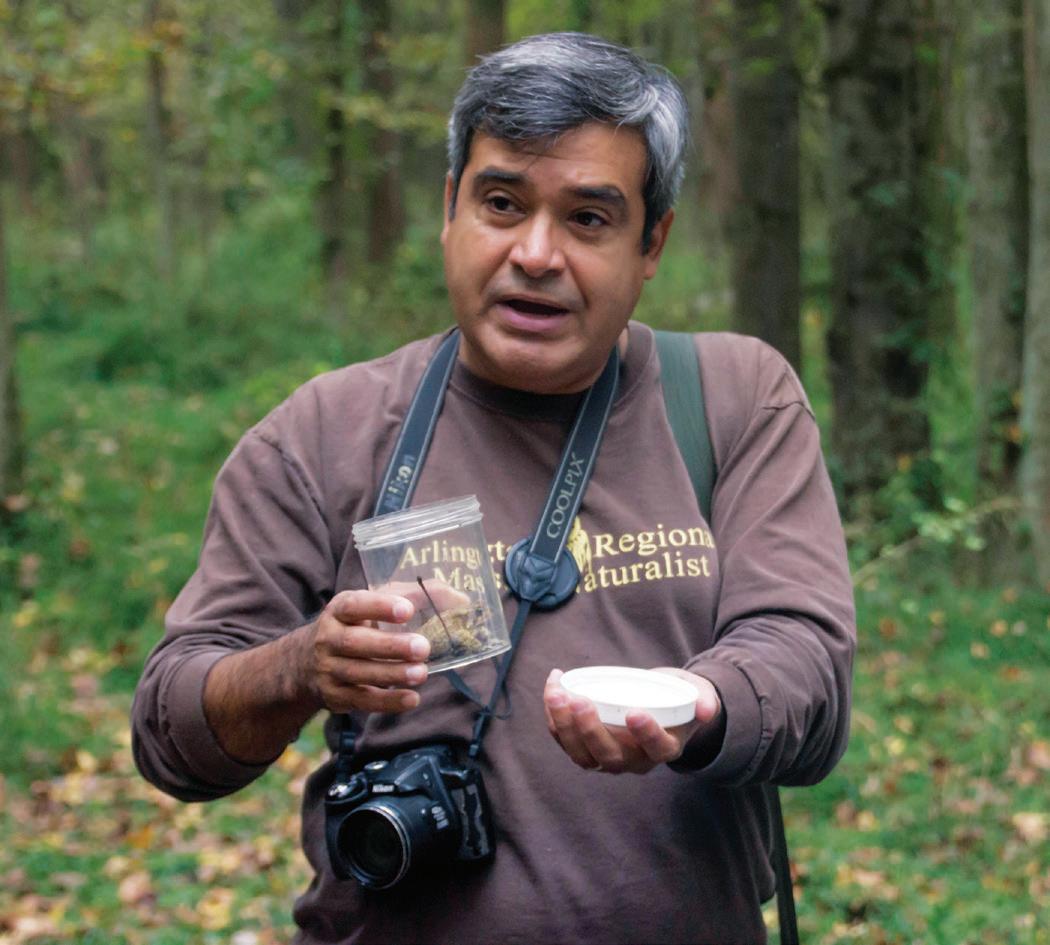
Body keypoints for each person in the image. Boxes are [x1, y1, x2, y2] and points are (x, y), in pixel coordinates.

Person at [131, 31, 855, 945]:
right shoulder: (322, 435)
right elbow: (172, 736)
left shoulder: (731, 399)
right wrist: (303, 665)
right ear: (450, 208)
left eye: (588, 218)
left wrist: (701, 702)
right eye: (502, 203)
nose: (536, 253)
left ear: (652, 242)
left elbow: (806, 669)